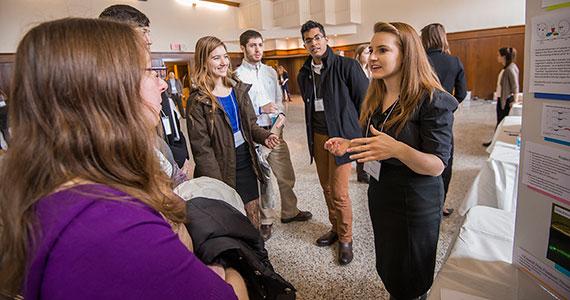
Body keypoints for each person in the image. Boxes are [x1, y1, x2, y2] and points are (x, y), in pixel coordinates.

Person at [0, 18, 240, 299]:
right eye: (151, 72)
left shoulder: (57, 189)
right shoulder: (114, 226)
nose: (163, 86)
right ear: (109, 92)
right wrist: (231, 273)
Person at [325, 22, 457, 299]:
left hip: (416, 200)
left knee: (412, 274)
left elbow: (436, 165)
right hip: (382, 193)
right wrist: (350, 145)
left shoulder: (432, 99)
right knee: (390, 264)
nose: (372, 57)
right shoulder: (377, 95)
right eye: (372, 50)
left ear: (407, 54)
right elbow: (378, 143)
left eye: (382, 50)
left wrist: (397, 149)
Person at [186, 36, 279, 229]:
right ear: (204, 61)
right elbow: (202, 149)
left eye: (225, 56)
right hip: (220, 164)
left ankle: (257, 251)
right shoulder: (198, 100)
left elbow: (250, 125)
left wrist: (265, 136)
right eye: (216, 58)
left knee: (252, 213)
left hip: (245, 159)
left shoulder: (237, 89)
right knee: (231, 216)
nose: (223, 62)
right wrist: (218, 184)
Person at [297, 20, 369, 265]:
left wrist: (357, 141)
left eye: (317, 38)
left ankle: (347, 238)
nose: (314, 43)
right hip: (317, 136)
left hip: (341, 136)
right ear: (304, 44)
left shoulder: (347, 66)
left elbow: (366, 104)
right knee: (326, 188)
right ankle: (336, 229)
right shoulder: (304, 72)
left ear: (326, 39)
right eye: (308, 40)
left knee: (339, 192)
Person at [235, 30, 312, 240]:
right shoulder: (237, 76)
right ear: (243, 48)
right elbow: (241, 110)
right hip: (255, 134)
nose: (258, 49)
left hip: (275, 130)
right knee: (265, 180)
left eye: (260, 44)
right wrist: (260, 110)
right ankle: (266, 220)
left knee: (286, 174)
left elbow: (278, 100)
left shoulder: (270, 72)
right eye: (252, 45)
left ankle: (290, 211)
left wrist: (280, 116)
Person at [100, 4, 191, 170]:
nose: (149, 40)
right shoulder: (109, 92)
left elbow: (171, 124)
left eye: (148, 32)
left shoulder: (155, 84)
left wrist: (181, 158)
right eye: (142, 32)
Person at [421, 23, 467, 217]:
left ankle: (422, 204)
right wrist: (449, 106)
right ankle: (439, 206)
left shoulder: (420, 61)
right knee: (444, 161)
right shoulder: (454, 62)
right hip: (443, 120)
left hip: (418, 116)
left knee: (422, 160)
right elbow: (462, 93)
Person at [483, 47, 519, 147]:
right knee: (500, 121)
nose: (497, 57)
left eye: (498, 55)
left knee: (501, 121)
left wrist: (515, 100)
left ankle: (496, 143)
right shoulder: (507, 68)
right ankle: (495, 141)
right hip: (502, 98)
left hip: (506, 100)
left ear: (504, 57)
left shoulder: (510, 69)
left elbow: (515, 86)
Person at [353, 44, 372, 183]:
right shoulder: (355, 71)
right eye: (366, 53)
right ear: (359, 55)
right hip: (358, 112)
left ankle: (369, 170)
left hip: (370, 111)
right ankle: (362, 173)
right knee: (361, 143)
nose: (369, 55)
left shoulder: (371, 71)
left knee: (369, 141)